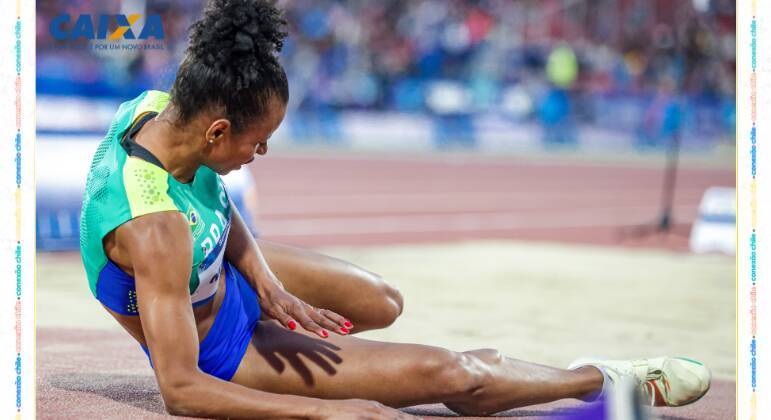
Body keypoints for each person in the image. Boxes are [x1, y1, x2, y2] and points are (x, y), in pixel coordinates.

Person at [79, 0, 711, 418]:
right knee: (452, 374)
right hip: (223, 344)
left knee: (382, 302)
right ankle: (603, 380)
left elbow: (211, 195)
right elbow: (181, 390)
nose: (263, 150)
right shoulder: (154, 230)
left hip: (221, 273)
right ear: (218, 132)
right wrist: (332, 408)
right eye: (256, 140)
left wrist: (263, 280)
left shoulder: (156, 109)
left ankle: (350, 348)